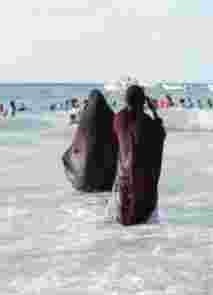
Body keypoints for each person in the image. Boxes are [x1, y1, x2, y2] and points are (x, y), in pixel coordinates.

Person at [113, 84, 166, 226]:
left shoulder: (118, 119)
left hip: (124, 178)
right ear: (143, 102)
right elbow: (161, 134)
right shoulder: (147, 122)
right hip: (141, 181)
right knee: (141, 220)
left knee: (126, 218)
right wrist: (154, 112)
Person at [62, 89, 117, 192]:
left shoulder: (85, 121)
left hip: (82, 183)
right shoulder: (112, 119)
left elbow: (65, 158)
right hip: (107, 182)